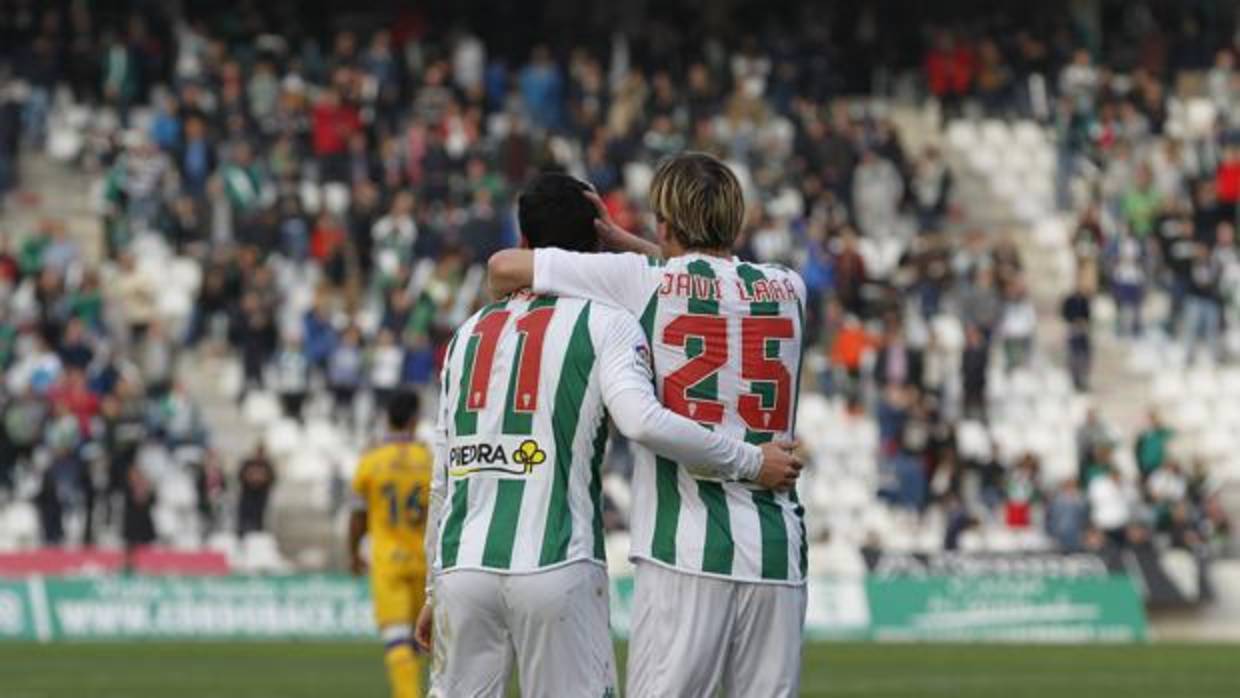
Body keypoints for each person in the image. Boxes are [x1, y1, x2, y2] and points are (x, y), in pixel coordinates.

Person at [425, 172, 801, 697]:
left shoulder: (468, 333)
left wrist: (431, 586)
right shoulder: (788, 286)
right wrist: (753, 460)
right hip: (768, 547)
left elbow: (441, 469)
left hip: (485, 560)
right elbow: (706, 279)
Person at [348, 391, 432, 698]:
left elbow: (357, 514)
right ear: (415, 419)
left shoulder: (371, 461)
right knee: (424, 640)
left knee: (397, 639)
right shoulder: (428, 459)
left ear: (387, 418)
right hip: (424, 561)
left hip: (387, 560)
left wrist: (353, 554)